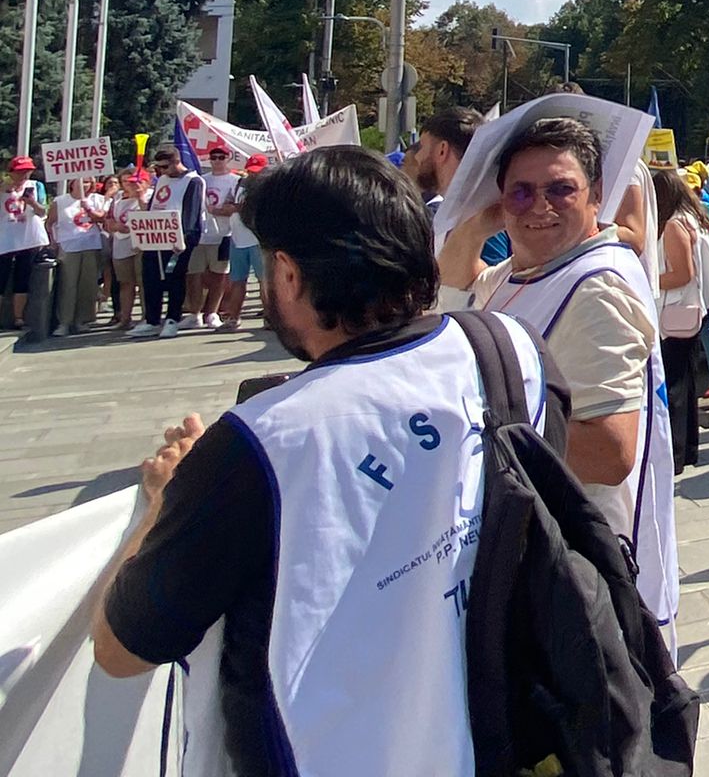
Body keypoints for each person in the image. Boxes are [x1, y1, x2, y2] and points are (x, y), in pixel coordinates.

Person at [90, 146, 572, 776]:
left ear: (289, 274)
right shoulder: (509, 348)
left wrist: (161, 503)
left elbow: (123, 647)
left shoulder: (261, 442)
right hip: (512, 735)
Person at [439, 116, 677, 631]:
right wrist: (478, 225)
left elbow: (611, 452)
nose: (541, 205)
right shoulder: (517, 273)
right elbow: (450, 299)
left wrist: (472, 437)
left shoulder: (595, 289)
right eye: (521, 193)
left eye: (561, 189)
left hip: (577, 566)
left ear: (597, 198)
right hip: (531, 547)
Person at [650, 165, 706, 469]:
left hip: (676, 314)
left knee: (674, 385)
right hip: (682, 312)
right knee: (684, 382)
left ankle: (676, 454)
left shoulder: (673, 224)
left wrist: (647, 279)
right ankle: (686, 450)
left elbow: (683, 274)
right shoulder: (686, 220)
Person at [141, 145, 205, 339]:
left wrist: (183, 237)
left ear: (176, 162)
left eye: (165, 166)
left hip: (180, 239)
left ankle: (172, 319)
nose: (162, 170)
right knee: (151, 276)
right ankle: (152, 319)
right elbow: (154, 207)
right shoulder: (162, 180)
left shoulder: (193, 181)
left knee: (175, 277)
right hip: (156, 237)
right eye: (159, 167)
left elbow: (191, 212)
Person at [50, 179, 108, 336]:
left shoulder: (97, 199)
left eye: (88, 181)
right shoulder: (60, 201)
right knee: (68, 284)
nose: (85, 185)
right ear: (72, 183)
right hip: (69, 246)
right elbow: (50, 223)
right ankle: (64, 321)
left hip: (91, 245)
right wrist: (53, 242)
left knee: (87, 285)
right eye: (81, 181)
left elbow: (102, 218)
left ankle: (82, 319)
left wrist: (88, 209)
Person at [190, 144, 240, 329]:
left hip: (223, 234)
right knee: (194, 273)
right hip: (200, 234)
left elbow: (236, 206)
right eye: (214, 157)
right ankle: (194, 313)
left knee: (219, 275)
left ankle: (212, 312)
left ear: (228, 158)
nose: (217, 161)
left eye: (221, 157)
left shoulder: (235, 181)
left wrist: (218, 210)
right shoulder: (201, 180)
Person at [2, 155, 50, 337]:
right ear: (11, 172)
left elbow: (42, 211)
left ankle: (18, 317)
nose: (23, 175)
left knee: (23, 279)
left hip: (28, 239)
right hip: (5, 239)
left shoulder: (35, 187)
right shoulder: (3, 187)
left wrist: (31, 202)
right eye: (20, 172)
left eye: (27, 171)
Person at [220, 153, 268, 329]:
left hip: (257, 239)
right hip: (238, 239)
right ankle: (233, 317)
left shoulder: (267, 186)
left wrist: (237, 208)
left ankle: (270, 317)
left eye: (257, 171)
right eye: (251, 171)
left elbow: (254, 208)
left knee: (264, 280)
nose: (254, 175)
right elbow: (227, 205)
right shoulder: (239, 183)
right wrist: (234, 207)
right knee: (237, 280)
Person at [106, 168, 143, 332]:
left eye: (131, 181)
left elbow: (150, 212)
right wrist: (114, 226)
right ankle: (125, 317)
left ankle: (147, 317)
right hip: (121, 244)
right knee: (126, 283)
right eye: (125, 181)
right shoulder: (118, 198)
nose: (128, 185)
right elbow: (109, 219)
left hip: (141, 245)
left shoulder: (147, 195)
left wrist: (140, 195)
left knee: (143, 282)